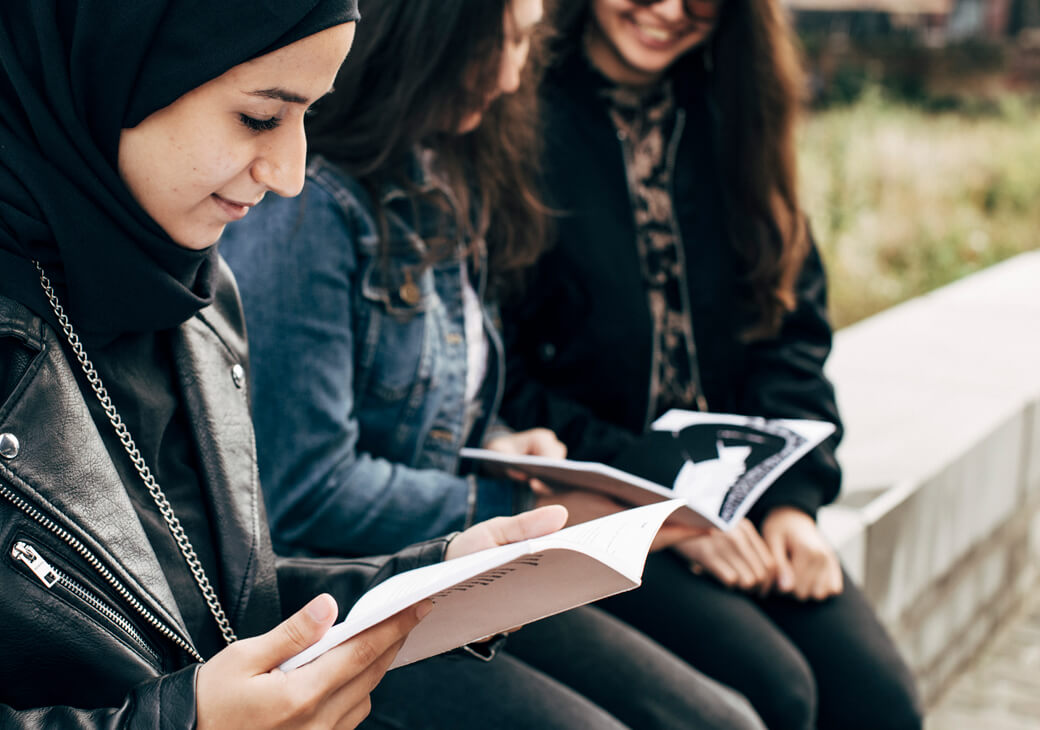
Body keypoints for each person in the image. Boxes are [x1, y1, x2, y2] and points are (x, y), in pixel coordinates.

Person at [0, 2, 597, 728]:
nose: (292, 173)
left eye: (309, 114)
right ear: (110, 65)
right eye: (261, 117)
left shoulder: (188, 284)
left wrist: (428, 582)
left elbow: (201, 595)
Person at [219, 1, 765, 728]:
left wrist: (504, 443)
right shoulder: (310, 204)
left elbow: (442, 401)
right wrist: (508, 507)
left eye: (528, 42)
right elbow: (304, 490)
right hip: (344, 598)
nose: (513, 76)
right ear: (429, 38)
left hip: (462, 567)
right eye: (500, 43)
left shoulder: (446, 162)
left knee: (724, 718)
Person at [499, 0, 924, 727]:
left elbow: (791, 331)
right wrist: (672, 502)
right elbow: (501, 380)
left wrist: (794, 501)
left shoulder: (739, 109)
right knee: (774, 689)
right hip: (600, 503)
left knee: (879, 699)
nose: (668, 10)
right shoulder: (518, 114)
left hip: (747, 500)